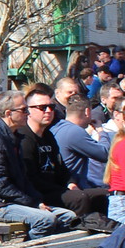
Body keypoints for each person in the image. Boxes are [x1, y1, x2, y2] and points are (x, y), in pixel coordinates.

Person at [0, 94, 78, 238]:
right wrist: (33, 203)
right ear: (9, 113)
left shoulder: (15, 137)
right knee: (46, 220)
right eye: (24, 110)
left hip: (14, 201)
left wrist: (37, 200)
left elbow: (23, 178)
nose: (28, 113)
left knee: (68, 217)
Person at [14, 87, 109, 225]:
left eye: (51, 107)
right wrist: (63, 189)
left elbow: (61, 168)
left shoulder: (48, 135)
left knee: (101, 194)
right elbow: (30, 178)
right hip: (37, 192)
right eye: (42, 107)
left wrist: (70, 183)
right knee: (79, 198)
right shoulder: (24, 138)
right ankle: (78, 231)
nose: (48, 111)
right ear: (28, 110)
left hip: (57, 188)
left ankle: (101, 229)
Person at [52, 96, 111, 187]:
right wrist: (100, 130)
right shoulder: (75, 131)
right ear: (87, 112)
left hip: (60, 183)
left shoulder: (56, 127)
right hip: (74, 187)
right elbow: (104, 154)